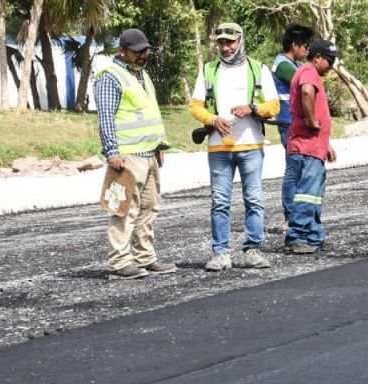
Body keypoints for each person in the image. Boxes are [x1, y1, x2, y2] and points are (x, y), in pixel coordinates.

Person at [189, 22, 280, 271]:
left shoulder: (257, 69)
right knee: (220, 201)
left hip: (251, 146)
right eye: (221, 43)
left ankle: (252, 250)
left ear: (241, 41)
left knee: (254, 199)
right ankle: (221, 253)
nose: (226, 47)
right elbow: (196, 105)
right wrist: (212, 119)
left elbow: (274, 106)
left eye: (230, 42)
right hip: (219, 148)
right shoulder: (208, 70)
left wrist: (251, 108)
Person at [93, 28, 177, 281]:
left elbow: (148, 113)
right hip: (127, 157)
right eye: (138, 52)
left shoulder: (141, 75)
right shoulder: (110, 77)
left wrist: (159, 147)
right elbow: (106, 118)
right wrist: (112, 152)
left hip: (149, 153)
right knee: (125, 209)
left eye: (146, 51)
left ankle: (145, 257)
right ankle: (119, 262)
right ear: (123, 51)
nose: (144, 55)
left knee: (150, 208)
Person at [283, 38, 338, 254]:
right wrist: (310, 120)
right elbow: (307, 92)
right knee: (306, 194)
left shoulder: (309, 71)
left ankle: (314, 237)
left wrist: (326, 143)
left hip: (314, 146)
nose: (331, 67)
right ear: (317, 58)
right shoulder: (309, 72)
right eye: (329, 61)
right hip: (306, 146)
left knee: (314, 194)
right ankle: (296, 236)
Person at [271, 23, 314, 229]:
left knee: (300, 168)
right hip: (287, 123)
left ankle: (298, 213)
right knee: (293, 168)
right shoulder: (283, 66)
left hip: (295, 123)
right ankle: (289, 216)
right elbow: (302, 83)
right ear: (295, 45)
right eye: (305, 46)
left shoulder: (294, 65)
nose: (307, 50)